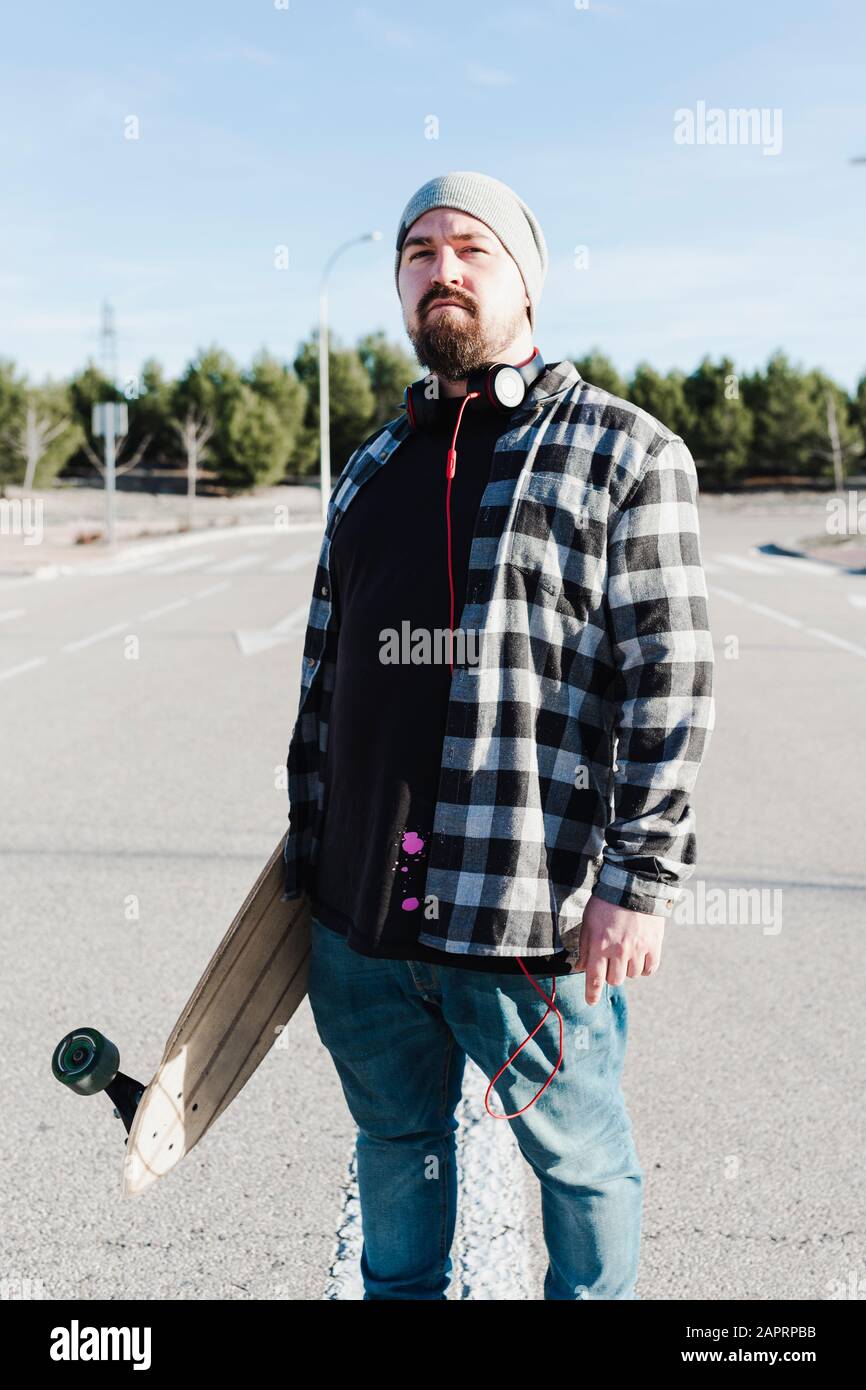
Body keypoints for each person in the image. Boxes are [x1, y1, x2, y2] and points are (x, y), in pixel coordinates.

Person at [282, 171, 715, 1300]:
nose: (444, 271)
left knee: (577, 1170)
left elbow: (668, 676)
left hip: (529, 920)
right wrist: (305, 859)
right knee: (394, 1152)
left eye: (471, 248)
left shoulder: (623, 454)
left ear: (526, 280)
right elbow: (325, 684)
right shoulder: (368, 469)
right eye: (418, 253)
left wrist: (642, 876)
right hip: (362, 925)